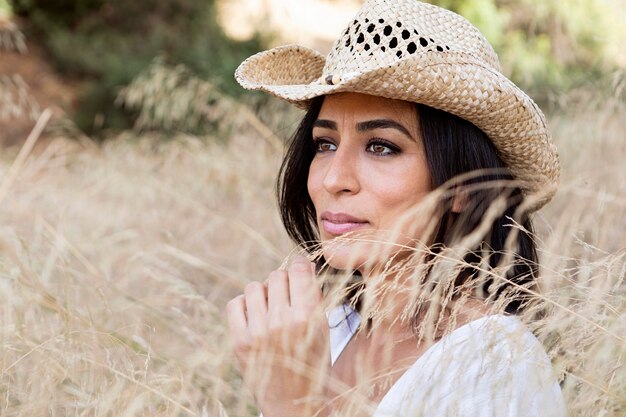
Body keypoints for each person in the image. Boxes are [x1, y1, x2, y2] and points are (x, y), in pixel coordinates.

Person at [226, 0, 566, 416]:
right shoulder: (327, 328)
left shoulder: (492, 363)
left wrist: (294, 406)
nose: (334, 180)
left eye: (381, 147)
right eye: (325, 144)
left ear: (464, 187)